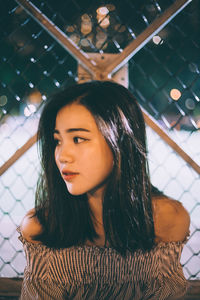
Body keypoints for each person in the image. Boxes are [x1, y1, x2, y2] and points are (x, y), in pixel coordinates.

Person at [18, 80, 190, 299]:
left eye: (78, 139)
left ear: (120, 140)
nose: (62, 155)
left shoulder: (168, 221)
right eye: (57, 141)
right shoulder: (40, 228)